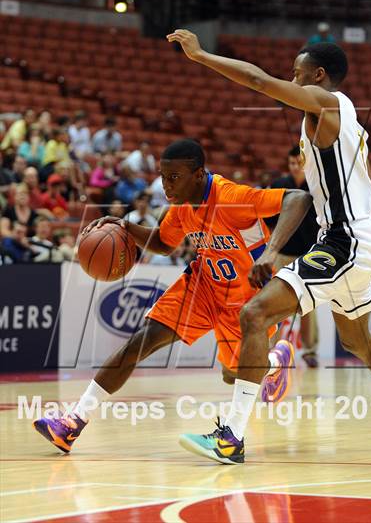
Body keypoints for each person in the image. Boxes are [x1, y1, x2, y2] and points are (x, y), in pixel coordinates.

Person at [166, 29, 371, 461]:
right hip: (348, 237)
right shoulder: (325, 119)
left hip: (347, 238)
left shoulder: (331, 104)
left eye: (297, 74)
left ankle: (231, 436)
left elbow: (260, 82)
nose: (291, 79)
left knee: (254, 312)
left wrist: (202, 55)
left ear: (319, 76)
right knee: (360, 343)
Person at [33, 139, 311, 453]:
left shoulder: (232, 197)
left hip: (245, 296)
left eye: (174, 177)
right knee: (142, 341)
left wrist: (271, 254)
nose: (166, 185)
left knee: (235, 374)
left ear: (198, 174)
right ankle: (73, 422)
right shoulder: (181, 208)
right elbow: (164, 243)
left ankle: (274, 363)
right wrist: (125, 227)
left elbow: (299, 199)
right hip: (204, 286)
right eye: (163, 177)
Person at [267, 146, 320, 367]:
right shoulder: (279, 186)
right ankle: (271, 352)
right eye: (291, 163)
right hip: (281, 254)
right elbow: (268, 219)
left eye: (299, 162)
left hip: (309, 256)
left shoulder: (316, 187)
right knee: (274, 304)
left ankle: (310, 350)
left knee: (308, 305)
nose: (295, 167)